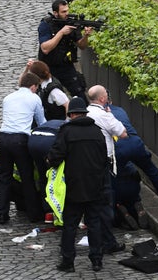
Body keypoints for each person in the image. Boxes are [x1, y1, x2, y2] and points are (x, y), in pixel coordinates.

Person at [47, 97, 108, 273]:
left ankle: (68, 261)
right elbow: (104, 158)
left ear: (72, 114)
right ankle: (97, 260)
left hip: (73, 187)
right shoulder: (97, 132)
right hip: (95, 186)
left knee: (70, 225)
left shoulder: (66, 132)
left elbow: (55, 157)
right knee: (94, 223)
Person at [108, 94, 158, 218]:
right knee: (151, 170)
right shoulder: (120, 110)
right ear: (111, 100)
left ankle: (119, 208)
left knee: (113, 177)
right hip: (136, 143)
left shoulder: (100, 115)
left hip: (118, 147)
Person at [0, 71, 46, 224]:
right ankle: (33, 214)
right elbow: (41, 122)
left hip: (3, 138)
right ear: (32, 86)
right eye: (37, 88)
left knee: (4, 177)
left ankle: (2, 212)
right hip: (20, 140)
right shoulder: (34, 98)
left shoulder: (8, 98)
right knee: (27, 177)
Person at [86, 84, 129, 255]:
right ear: (103, 99)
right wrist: (111, 116)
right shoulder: (104, 115)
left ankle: (98, 238)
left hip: (86, 164)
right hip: (103, 164)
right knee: (105, 204)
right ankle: (108, 241)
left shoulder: (84, 112)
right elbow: (123, 133)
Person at [38, 0, 93, 101]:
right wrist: (61, 33)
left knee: (80, 94)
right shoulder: (46, 24)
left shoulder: (71, 23)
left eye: (67, 10)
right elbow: (45, 48)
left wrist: (86, 36)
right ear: (55, 13)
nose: (67, 13)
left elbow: (82, 46)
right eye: (63, 12)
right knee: (47, 97)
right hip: (48, 67)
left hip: (66, 66)